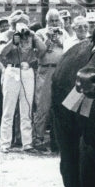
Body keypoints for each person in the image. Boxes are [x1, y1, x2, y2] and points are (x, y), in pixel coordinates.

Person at [0, 14, 44, 152]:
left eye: (25, 23)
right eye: (20, 23)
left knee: (27, 108)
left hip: (27, 70)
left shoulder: (31, 35)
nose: (23, 25)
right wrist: (13, 40)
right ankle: (5, 143)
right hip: (12, 70)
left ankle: (27, 143)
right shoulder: (7, 34)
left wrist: (34, 36)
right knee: (8, 109)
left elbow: (42, 49)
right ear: (14, 24)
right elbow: (1, 53)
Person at [32, 8, 73, 152]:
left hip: (62, 70)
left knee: (62, 106)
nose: (54, 23)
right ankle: (38, 138)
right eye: (51, 21)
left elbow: (69, 51)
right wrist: (49, 40)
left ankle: (59, 140)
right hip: (46, 69)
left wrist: (60, 41)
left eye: (56, 20)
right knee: (43, 105)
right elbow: (38, 55)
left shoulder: (65, 34)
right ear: (46, 21)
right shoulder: (39, 33)